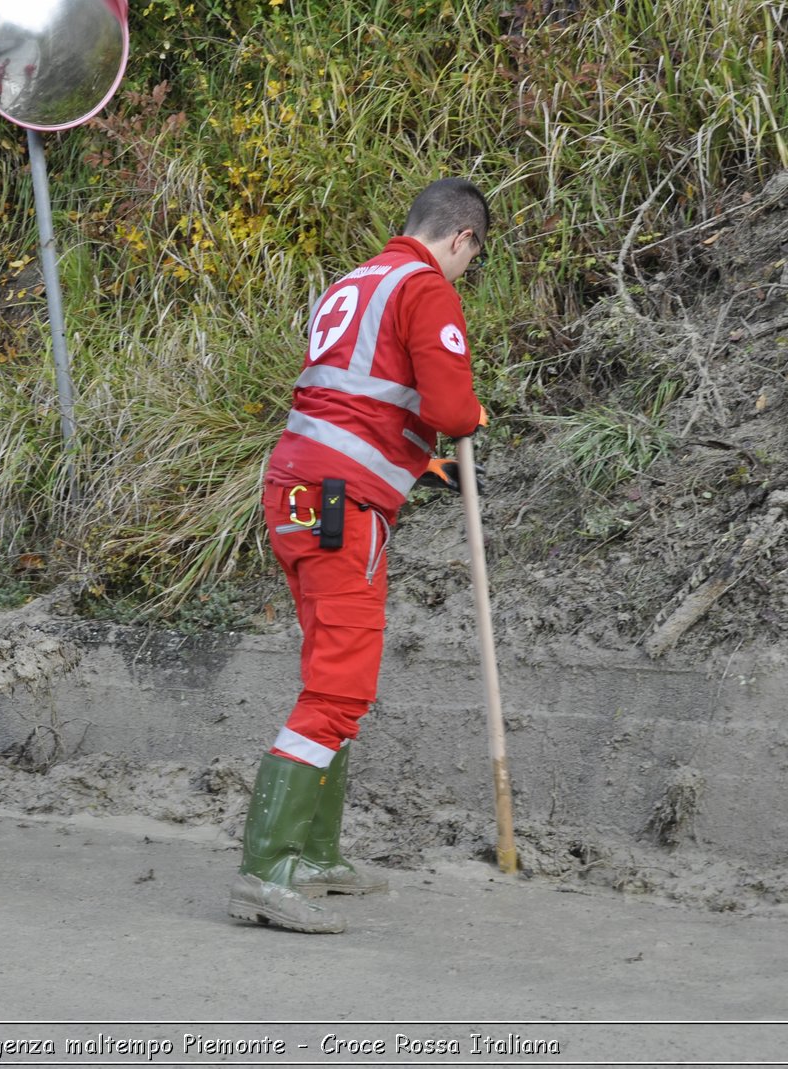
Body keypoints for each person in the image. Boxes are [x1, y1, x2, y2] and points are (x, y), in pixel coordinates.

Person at [228, 178, 491, 933]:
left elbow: (362, 393)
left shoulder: (355, 281)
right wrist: (470, 413)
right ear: (463, 238)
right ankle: (268, 868)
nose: (466, 272)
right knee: (340, 687)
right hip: (343, 503)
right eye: (472, 258)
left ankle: (313, 853)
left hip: (301, 490)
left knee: (329, 675)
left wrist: (420, 454)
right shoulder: (424, 287)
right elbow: (446, 409)